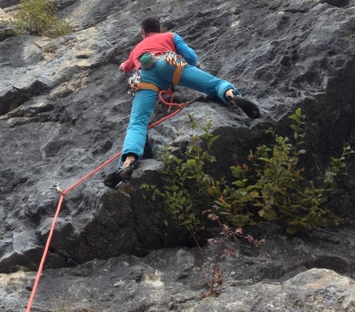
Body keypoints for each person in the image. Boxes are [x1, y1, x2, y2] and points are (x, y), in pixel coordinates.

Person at [104, 17, 260, 188]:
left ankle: (128, 163)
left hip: (145, 77)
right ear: (159, 28)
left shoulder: (136, 49)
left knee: (137, 122)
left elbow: (126, 67)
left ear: (143, 32)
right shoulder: (170, 36)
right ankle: (231, 95)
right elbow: (191, 58)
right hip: (170, 63)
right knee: (214, 84)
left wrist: (122, 66)